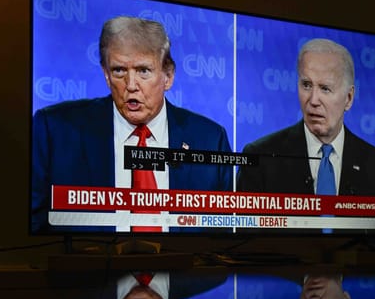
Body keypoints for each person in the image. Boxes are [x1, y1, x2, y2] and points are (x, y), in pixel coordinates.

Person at [31, 16, 233, 232]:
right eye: (119, 71)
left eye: (143, 70)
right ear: (106, 75)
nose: (131, 85)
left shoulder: (210, 139)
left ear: (168, 76)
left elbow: (224, 241)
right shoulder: (55, 130)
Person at [236, 38, 375, 231]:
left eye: (325, 88)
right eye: (306, 85)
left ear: (349, 98)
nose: (313, 100)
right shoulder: (260, 158)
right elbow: (247, 245)